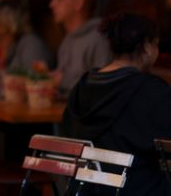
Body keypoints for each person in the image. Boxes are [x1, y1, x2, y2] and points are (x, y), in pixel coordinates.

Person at [62, 12, 171, 195]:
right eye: (156, 45)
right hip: (140, 189)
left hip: (84, 189)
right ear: (146, 47)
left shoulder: (82, 87)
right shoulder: (152, 91)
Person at [50, 0, 111, 96]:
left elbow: (104, 86)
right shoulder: (68, 39)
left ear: (79, 3)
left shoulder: (99, 40)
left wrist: (62, 80)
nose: (51, 4)